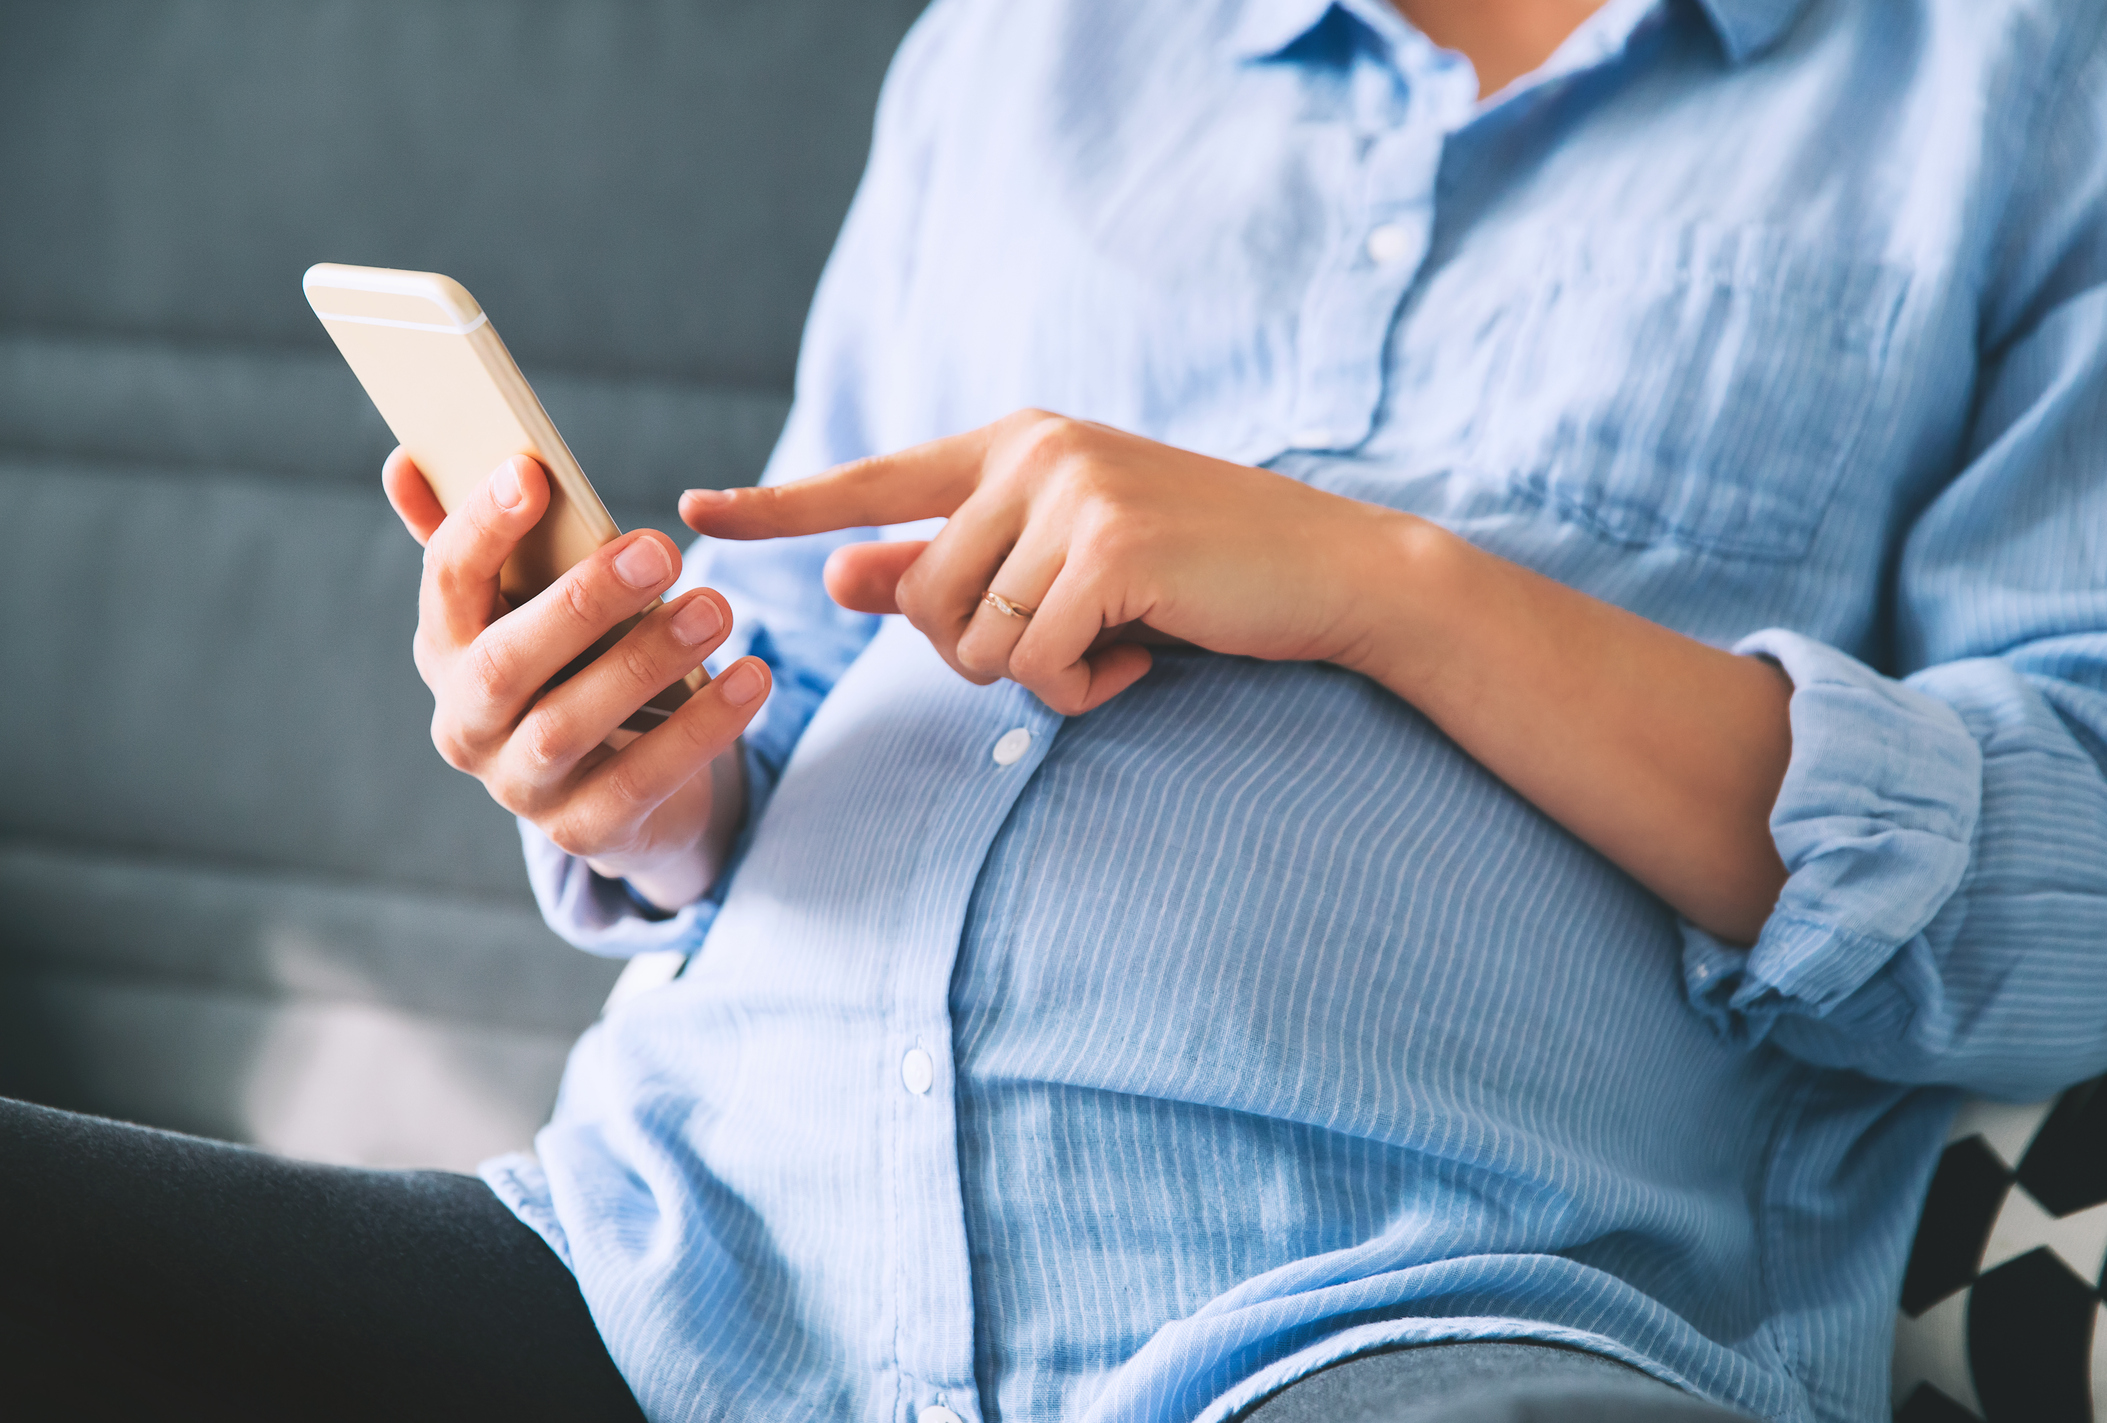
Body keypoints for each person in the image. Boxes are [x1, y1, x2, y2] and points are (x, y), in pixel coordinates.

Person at [6, 0, 2106, 1419]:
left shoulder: (2013, 83)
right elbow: (799, 659)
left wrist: (1389, 587)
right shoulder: (1020, 51)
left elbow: (2068, 884)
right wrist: (637, 767)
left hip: (1411, 1312)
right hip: (676, 1277)